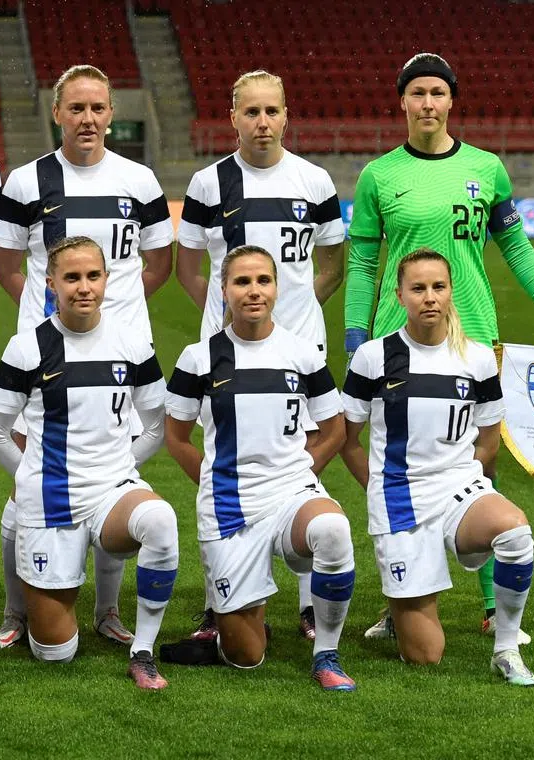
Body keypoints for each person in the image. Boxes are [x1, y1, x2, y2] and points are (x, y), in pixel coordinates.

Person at [345, 53, 534, 642]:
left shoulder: (487, 168)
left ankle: (489, 604)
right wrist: (357, 339)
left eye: (437, 93)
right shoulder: (379, 175)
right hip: (394, 339)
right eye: (416, 94)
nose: (427, 104)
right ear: (401, 102)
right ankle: (403, 592)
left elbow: (517, 249)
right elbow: (361, 262)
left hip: (472, 334)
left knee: (481, 460)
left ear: (452, 100)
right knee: (393, 463)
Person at [0, 64, 174, 648]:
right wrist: (55, 320)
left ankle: (109, 610)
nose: (87, 119)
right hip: (46, 358)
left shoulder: (140, 180)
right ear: (57, 113)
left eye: (98, 108)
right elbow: (7, 265)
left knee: (118, 475)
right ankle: (16, 614)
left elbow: (159, 264)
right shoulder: (26, 182)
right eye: (76, 108)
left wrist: (104, 320)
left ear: (112, 114)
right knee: (26, 497)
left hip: (119, 356)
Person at [176, 69, 345, 642]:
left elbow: (332, 264)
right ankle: (218, 594)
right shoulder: (207, 184)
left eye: (272, 111)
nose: (263, 122)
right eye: (251, 112)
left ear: (286, 115)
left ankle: (303, 600)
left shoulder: (315, 181)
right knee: (221, 451)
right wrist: (231, 319)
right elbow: (189, 268)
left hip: (300, 345)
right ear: (233, 118)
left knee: (300, 454)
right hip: (226, 350)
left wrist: (291, 317)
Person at [0, 236, 178, 690]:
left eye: (93, 276)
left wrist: (117, 468)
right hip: (49, 495)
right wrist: (31, 476)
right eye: (72, 277)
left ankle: (141, 648)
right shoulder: (27, 348)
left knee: (161, 520)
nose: (83, 287)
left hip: (112, 490)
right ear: (51, 283)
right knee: (55, 652)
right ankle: (25, 610)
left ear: (107, 280)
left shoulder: (133, 344)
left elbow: (157, 426)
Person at [341, 249, 534, 686]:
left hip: (457, 488)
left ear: (451, 292)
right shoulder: (373, 357)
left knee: (514, 531)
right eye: (418, 288)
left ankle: (505, 650)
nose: (429, 297)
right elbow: (347, 440)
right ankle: (399, 607)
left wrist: (477, 491)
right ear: (400, 295)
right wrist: (378, 489)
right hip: (398, 499)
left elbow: (489, 442)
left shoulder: (479, 358)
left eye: (438, 287)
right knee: (426, 656)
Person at [165, 245, 357, 692]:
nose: (254, 291)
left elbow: (334, 430)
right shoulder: (198, 358)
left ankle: (326, 654)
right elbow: (176, 439)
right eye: (242, 282)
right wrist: (216, 482)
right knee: (246, 657)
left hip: (291, 493)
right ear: (223, 290)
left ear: (277, 286)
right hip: (229, 507)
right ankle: (233, 628)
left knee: (332, 529)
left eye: (263, 281)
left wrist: (301, 473)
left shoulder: (303, 354)